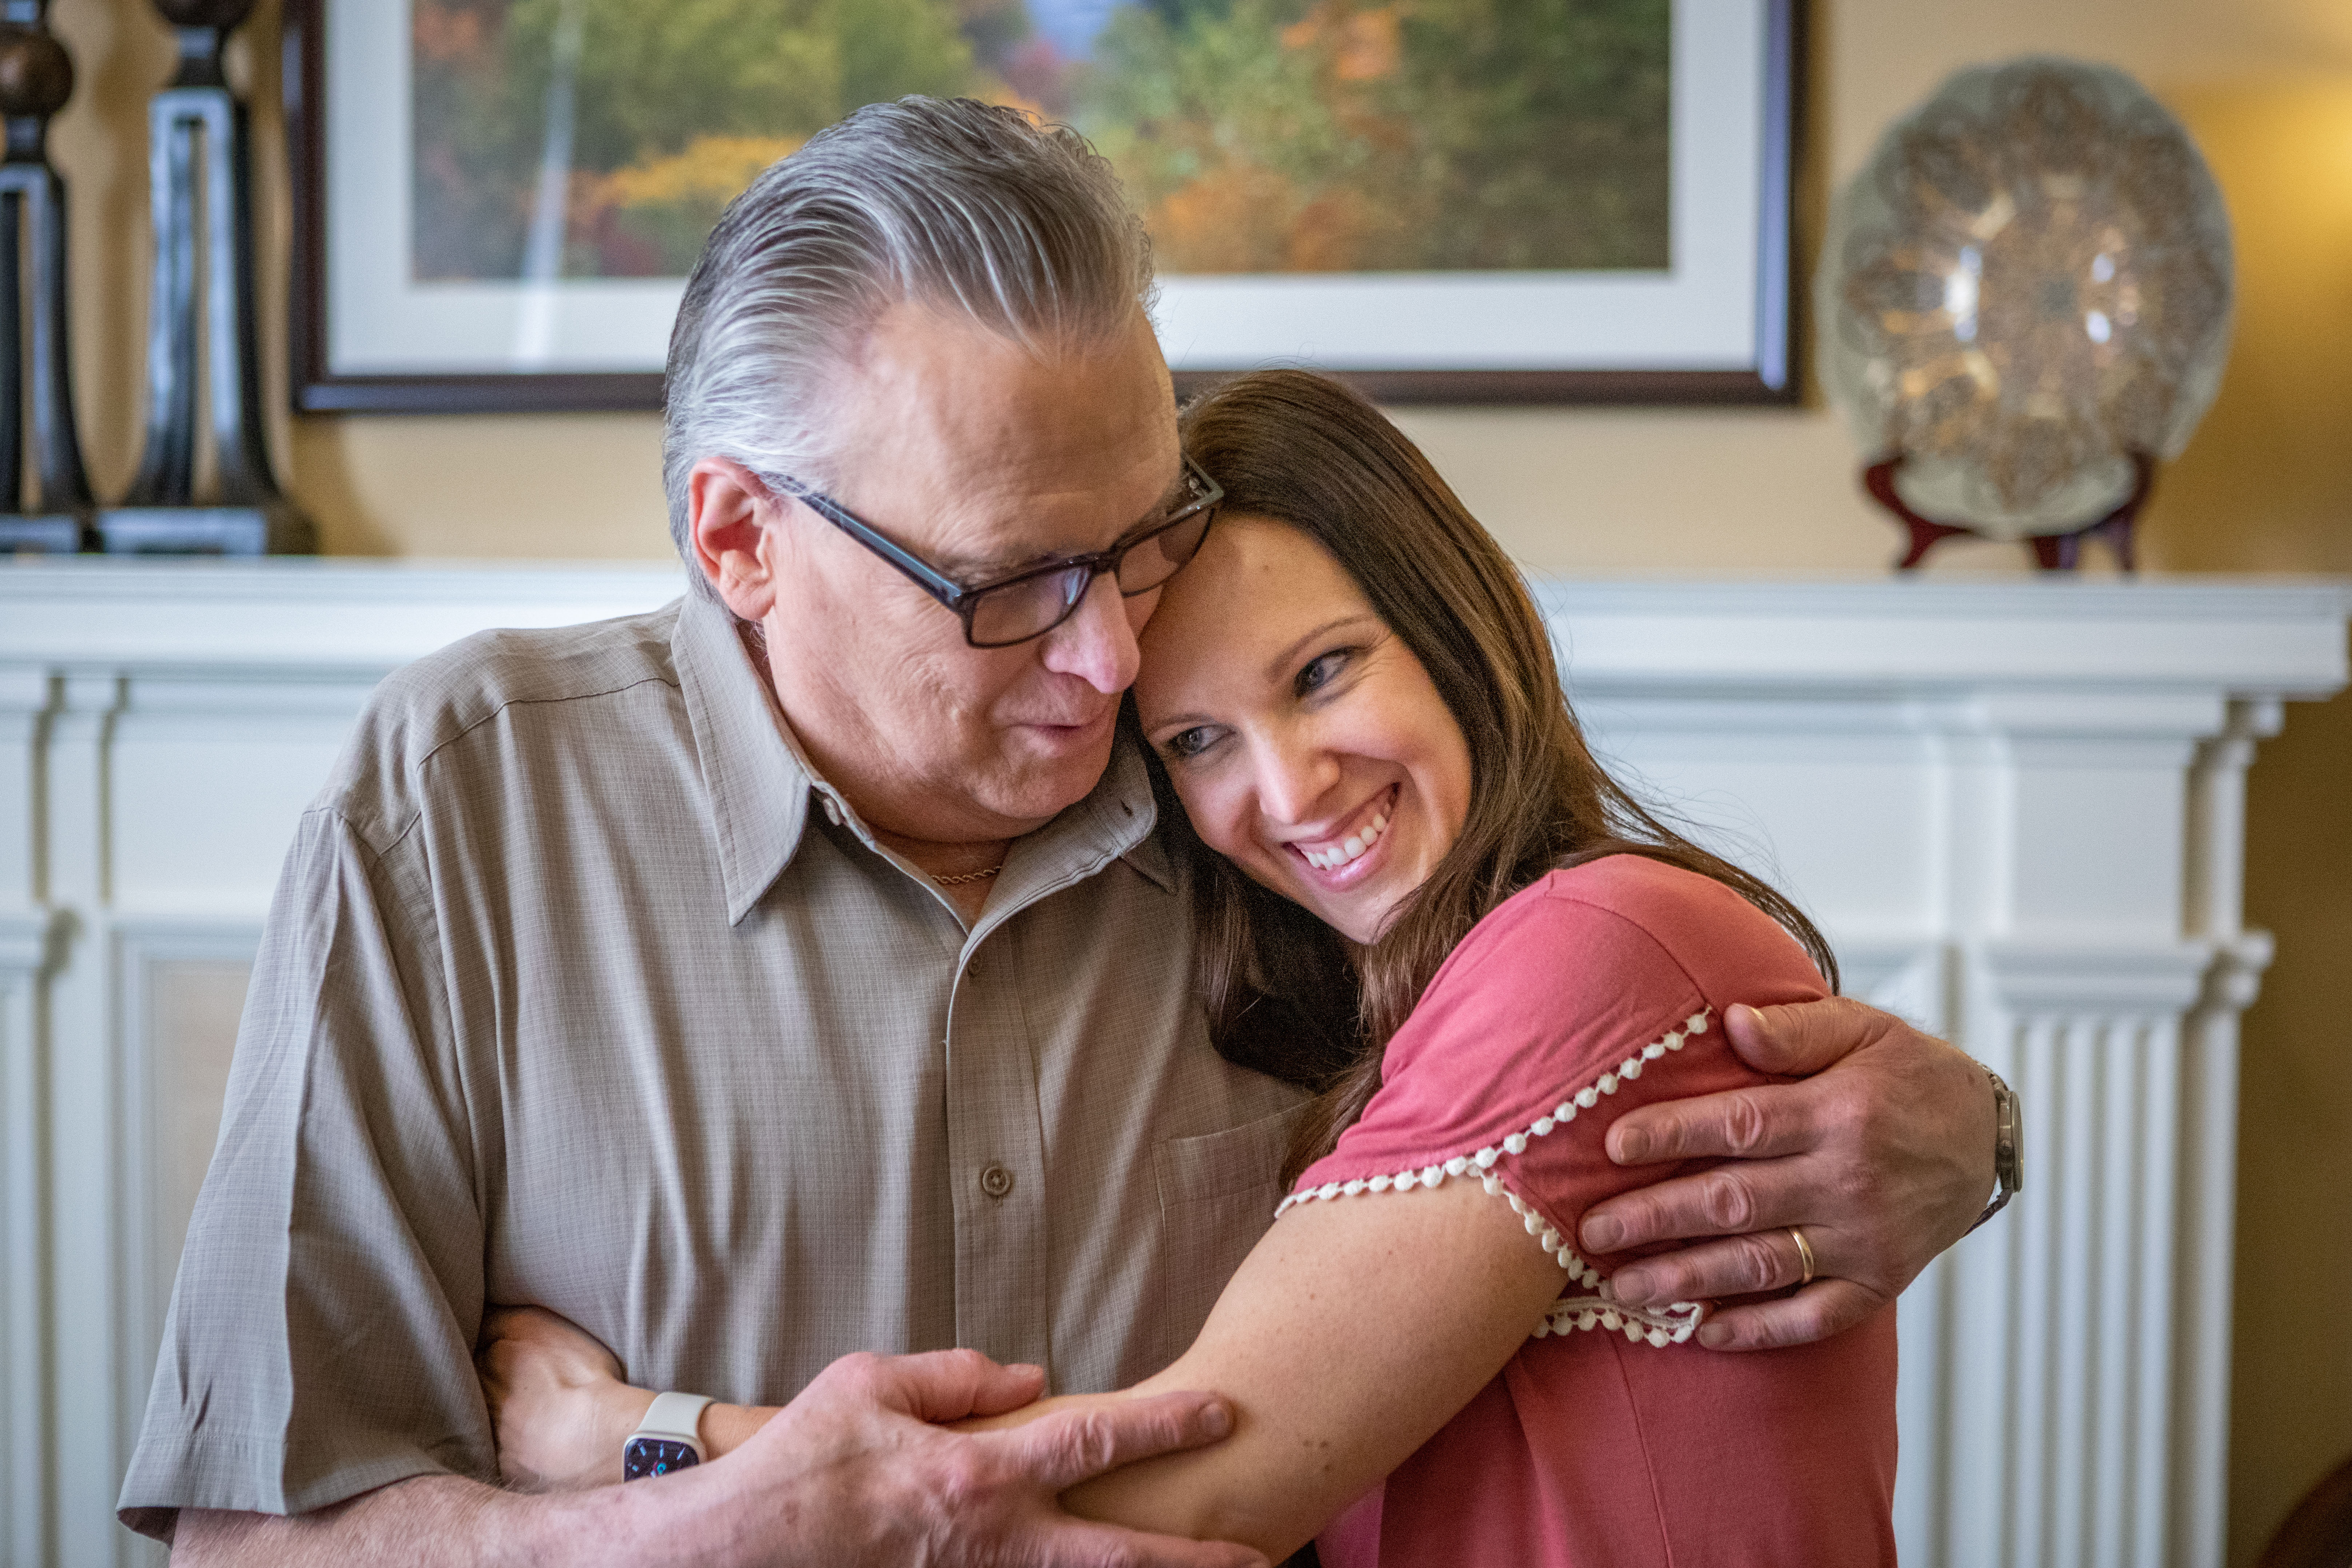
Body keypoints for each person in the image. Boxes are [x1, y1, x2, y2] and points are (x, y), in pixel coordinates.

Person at [127, 99, 2001, 1568]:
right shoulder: (464, 802)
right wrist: (683, 1527)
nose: (1112, 656)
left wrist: (1977, 1135)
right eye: (1015, 581)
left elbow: (1566, 1034)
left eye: (1139, 536)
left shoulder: (1263, 830)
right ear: (738, 541)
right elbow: (247, 1534)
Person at [477, 369, 1900, 1565]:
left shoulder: (1590, 949)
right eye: (1196, 742)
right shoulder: (1384, 1014)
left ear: (1455, 626)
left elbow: (1188, 1493)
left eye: (1324, 671)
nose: (1283, 789)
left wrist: (638, 1439)